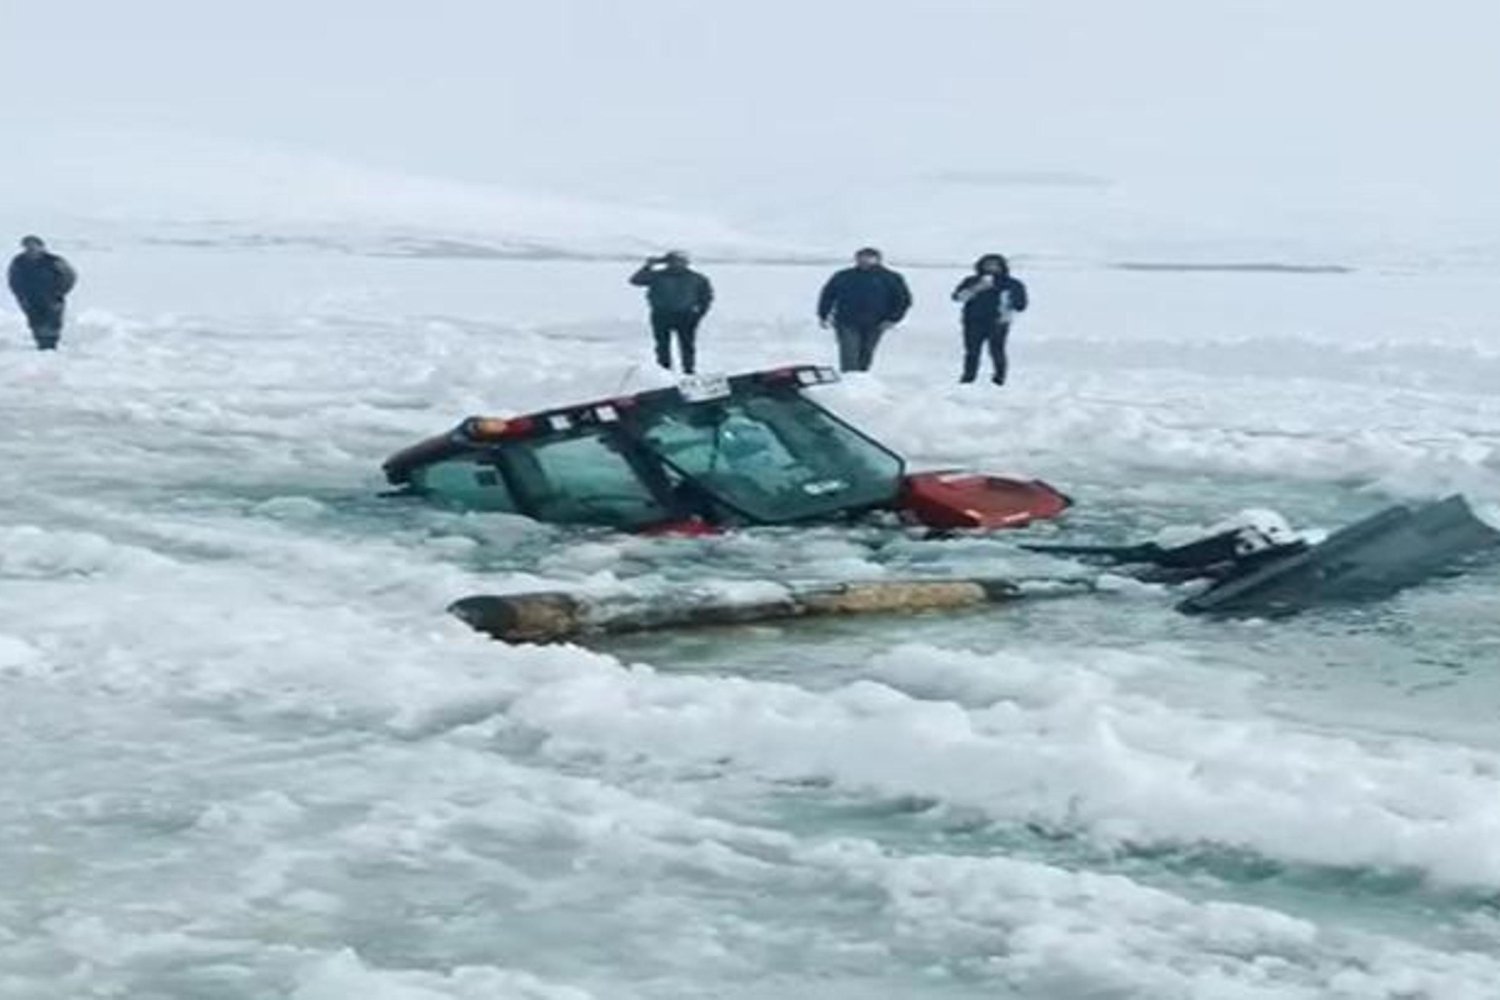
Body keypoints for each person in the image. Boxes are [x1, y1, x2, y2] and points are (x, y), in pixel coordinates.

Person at [816, 247, 912, 372]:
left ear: (878, 260)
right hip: (847, 321)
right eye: (861, 258)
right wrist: (823, 315)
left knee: (866, 355)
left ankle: (861, 379)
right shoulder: (844, 276)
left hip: (876, 323)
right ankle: (850, 379)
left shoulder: (891, 278)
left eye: (869, 258)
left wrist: (893, 318)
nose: (865, 261)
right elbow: (828, 295)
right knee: (849, 354)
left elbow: (903, 300)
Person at [629, 250, 713, 375]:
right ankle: (665, 371)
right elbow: (635, 280)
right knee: (662, 345)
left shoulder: (697, 278)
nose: (677, 264)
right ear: (668, 262)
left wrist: (699, 314)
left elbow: (706, 297)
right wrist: (647, 267)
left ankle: (689, 371)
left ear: (686, 262)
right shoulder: (657, 275)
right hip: (661, 315)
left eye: (680, 261)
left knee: (687, 345)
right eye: (674, 261)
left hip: (686, 316)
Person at [951, 253, 1028, 384]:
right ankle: (968, 377)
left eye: (995, 265)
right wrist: (976, 289)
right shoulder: (971, 281)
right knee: (972, 351)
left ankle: (999, 377)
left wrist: (1009, 301)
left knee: (996, 350)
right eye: (988, 265)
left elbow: (1021, 304)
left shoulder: (1011, 283)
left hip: (998, 322)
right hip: (973, 321)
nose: (991, 268)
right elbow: (957, 297)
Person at [8, 235, 77, 351]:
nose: (31, 249)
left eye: (34, 246)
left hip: (51, 298)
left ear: (41, 246)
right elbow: (13, 279)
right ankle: (40, 345)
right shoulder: (18, 262)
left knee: (52, 323)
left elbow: (69, 276)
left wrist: (60, 292)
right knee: (36, 323)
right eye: (28, 246)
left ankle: (51, 347)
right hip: (30, 298)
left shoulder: (54, 261)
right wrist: (20, 295)